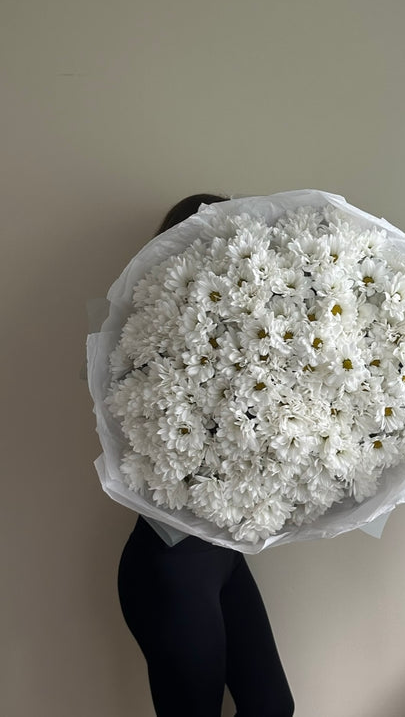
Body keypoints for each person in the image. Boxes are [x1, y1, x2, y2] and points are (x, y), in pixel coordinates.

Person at [117, 194, 295, 717]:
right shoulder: (147, 346)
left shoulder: (246, 339)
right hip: (168, 563)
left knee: (271, 707)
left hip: (221, 555)